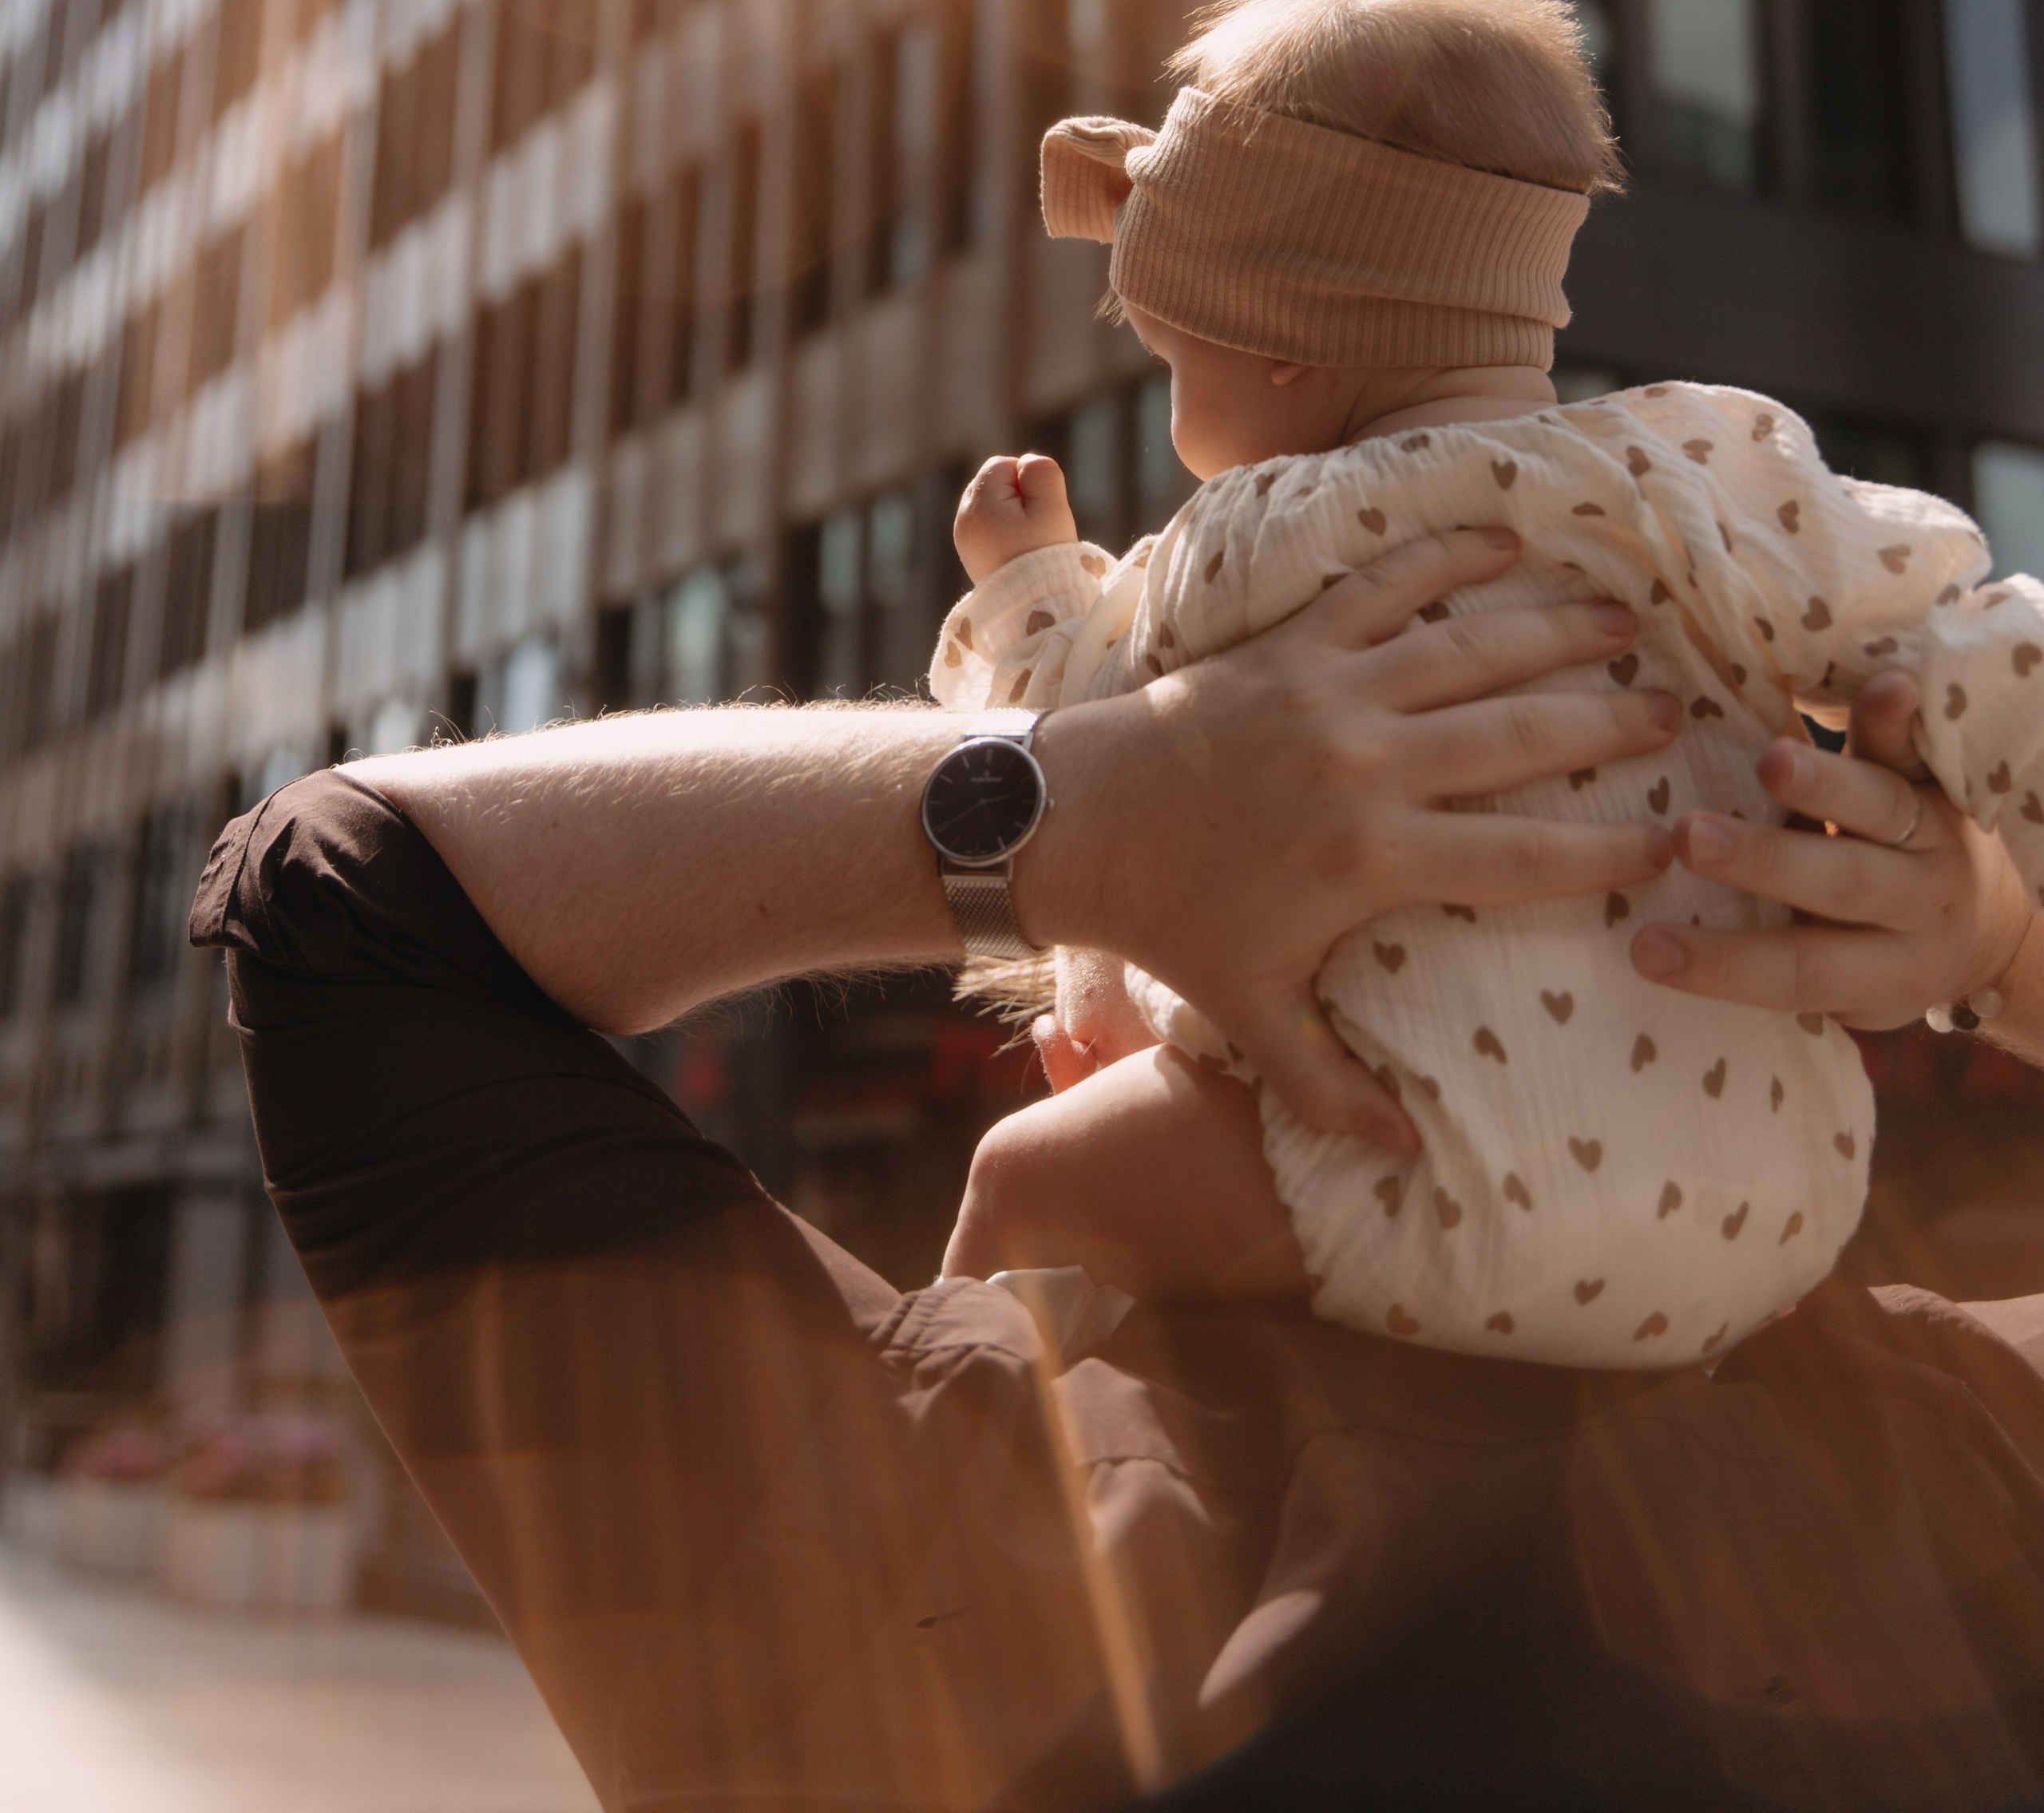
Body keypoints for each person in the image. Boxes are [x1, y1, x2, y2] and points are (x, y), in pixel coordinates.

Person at [193, 553, 2044, 1811]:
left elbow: (343, 901)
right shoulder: (1954, 1475)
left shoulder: (914, 1582)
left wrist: (1088, 807)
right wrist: (1986, 931)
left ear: (1120, 1032)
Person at [931, 0, 2044, 1372]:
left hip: (1405, 1164)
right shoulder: (1696, 470)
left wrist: (1026, 583)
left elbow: (1070, 748)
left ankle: (943, 1498)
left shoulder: (1253, 538)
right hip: (1769, 1199)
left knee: (1030, 1178)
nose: (1174, 415)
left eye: (1173, 360)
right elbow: (1957, 634)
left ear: (1281, 342)